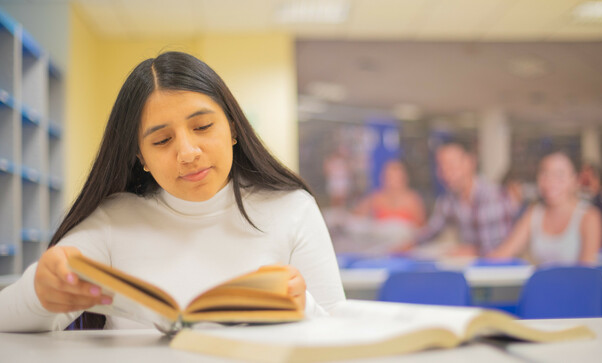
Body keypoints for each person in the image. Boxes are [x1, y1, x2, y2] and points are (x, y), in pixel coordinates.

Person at [0, 52, 345, 332]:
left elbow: (342, 336)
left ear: (234, 129)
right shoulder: (112, 220)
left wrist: (303, 307)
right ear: (141, 158)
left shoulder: (292, 209)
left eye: (203, 126)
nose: (187, 152)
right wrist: (39, 293)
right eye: (162, 140)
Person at [394, 143, 517, 256]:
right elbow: (431, 230)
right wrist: (406, 245)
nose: (446, 173)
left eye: (451, 165)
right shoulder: (449, 199)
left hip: (499, 272)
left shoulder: (492, 197)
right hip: (471, 269)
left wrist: (473, 251)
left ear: (470, 162)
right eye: (442, 167)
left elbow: (499, 250)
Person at [487, 151, 602, 265]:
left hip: (576, 284)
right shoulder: (534, 213)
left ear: (574, 180)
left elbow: (587, 272)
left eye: (559, 175)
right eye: (545, 174)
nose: (550, 182)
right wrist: (474, 261)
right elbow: (504, 253)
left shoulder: (589, 217)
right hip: (541, 283)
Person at [354, 160, 426, 227]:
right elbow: (356, 216)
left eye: (395, 177)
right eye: (389, 176)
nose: (391, 181)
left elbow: (422, 228)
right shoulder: (376, 197)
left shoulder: (413, 200)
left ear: (404, 178)